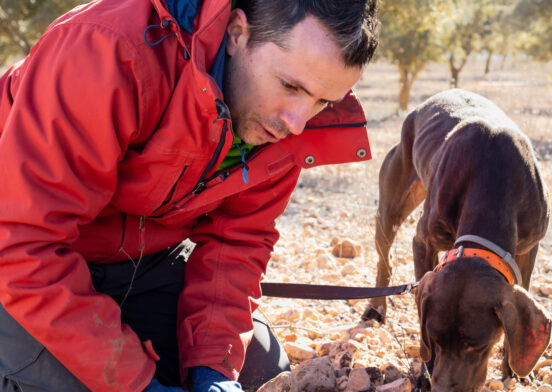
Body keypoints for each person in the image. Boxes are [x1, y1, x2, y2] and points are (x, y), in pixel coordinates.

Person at [0, 0, 378, 390]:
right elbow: (24, 245)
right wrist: (138, 383)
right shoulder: (106, 51)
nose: (297, 124)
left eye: (321, 101)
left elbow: (236, 242)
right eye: (290, 86)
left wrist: (213, 370)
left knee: (259, 371)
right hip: (18, 260)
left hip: (145, 260)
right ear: (236, 32)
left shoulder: (279, 124)